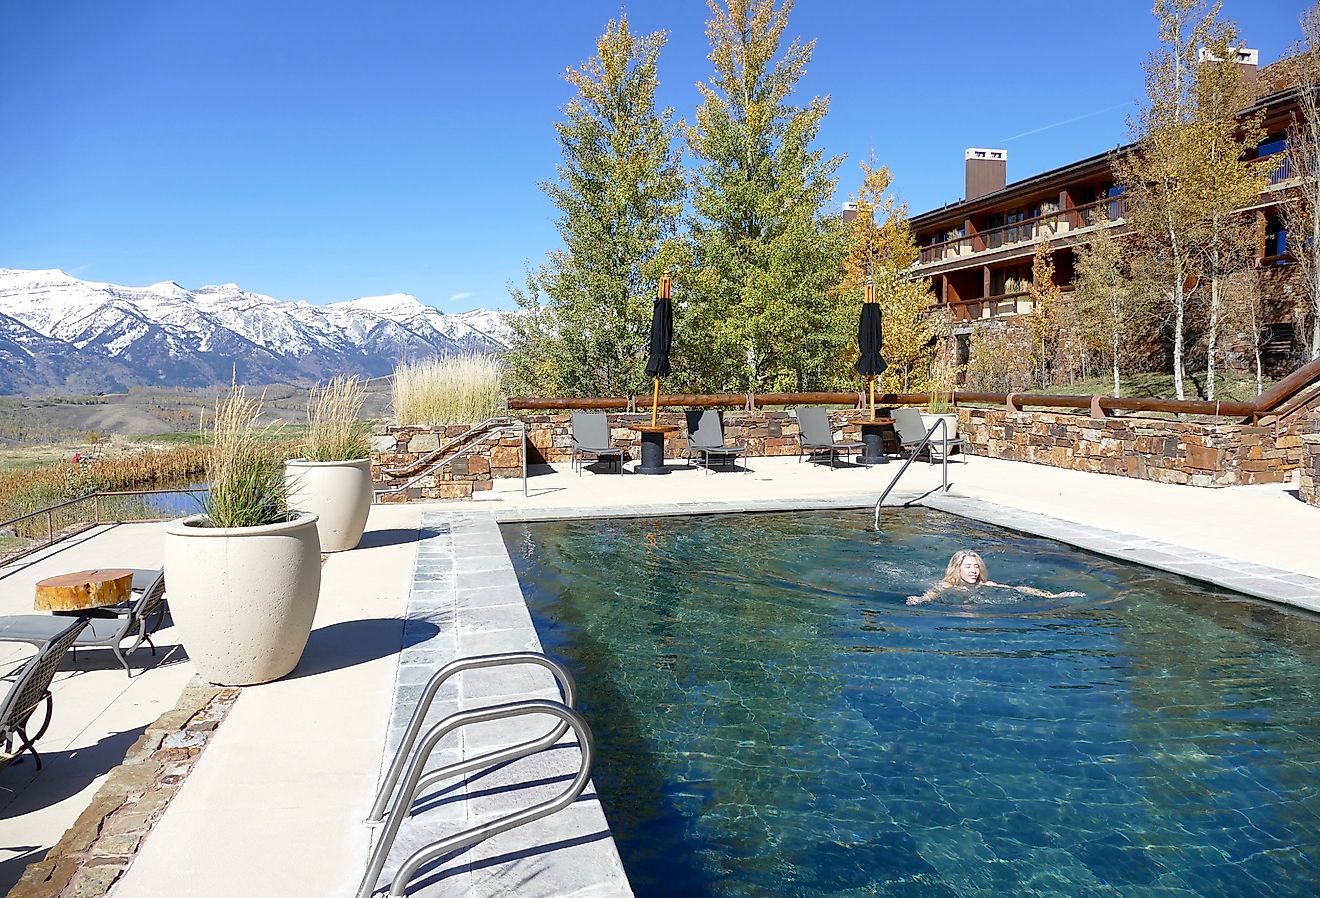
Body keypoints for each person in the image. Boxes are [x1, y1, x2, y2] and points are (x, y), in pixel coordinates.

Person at [906, 549, 1083, 605]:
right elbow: (932, 593)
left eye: (976, 566)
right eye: (967, 566)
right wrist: (920, 599)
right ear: (957, 569)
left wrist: (1053, 596)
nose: (973, 571)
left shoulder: (986, 584)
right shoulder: (947, 585)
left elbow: (1018, 589)